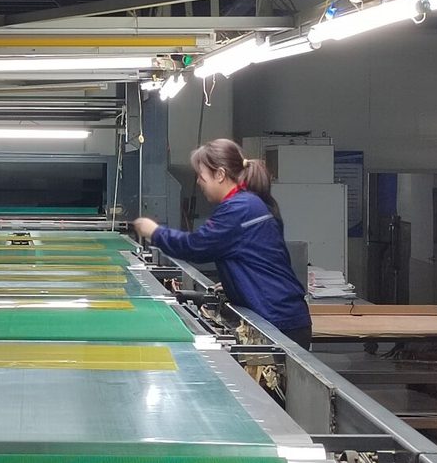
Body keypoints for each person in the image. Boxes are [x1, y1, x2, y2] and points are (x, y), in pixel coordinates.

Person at [133, 138, 312, 349]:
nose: (198, 182)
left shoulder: (239, 208)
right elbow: (252, 256)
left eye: (201, 175)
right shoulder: (249, 202)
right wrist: (233, 282)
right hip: (281, 317)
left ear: (219, 174)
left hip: (278, 322)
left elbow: (195, 247)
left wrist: (154, 232)